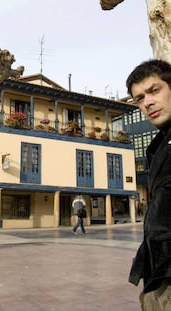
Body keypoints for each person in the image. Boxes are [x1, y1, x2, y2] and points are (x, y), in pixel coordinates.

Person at [126, 59, 171, 310]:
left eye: (154, 91)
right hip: (158, 276)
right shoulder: (157, 147)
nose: (148, 103)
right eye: (139, 98)